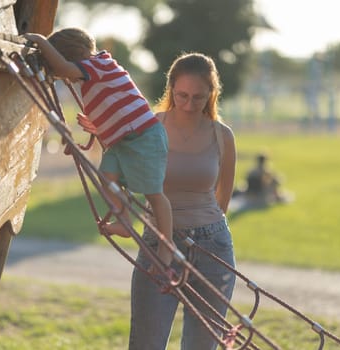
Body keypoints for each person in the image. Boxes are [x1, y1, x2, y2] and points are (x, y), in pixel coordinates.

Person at [23, 28, 173, 267]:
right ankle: (124, 219)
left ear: (77, 56)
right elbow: (115, 103)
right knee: (106, 177)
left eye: (68, 74)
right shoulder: (96, 71)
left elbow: (63, 68)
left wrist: (40, 40)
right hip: (122, 141)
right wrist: (98, 126)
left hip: (144, 137)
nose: (69, 79)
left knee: (154, 194)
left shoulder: (97, 65)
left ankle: (167, 246)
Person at [129, 52, 237, 350]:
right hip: (158, 243)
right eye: (182, 96)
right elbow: (120, 164)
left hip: (212, 247)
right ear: (170, 89)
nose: (189, 105)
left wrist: (203, 230)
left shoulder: (222, 135)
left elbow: (222, 198)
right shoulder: (150, 125)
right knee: (145, 343)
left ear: (212, 94)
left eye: (199, 98)